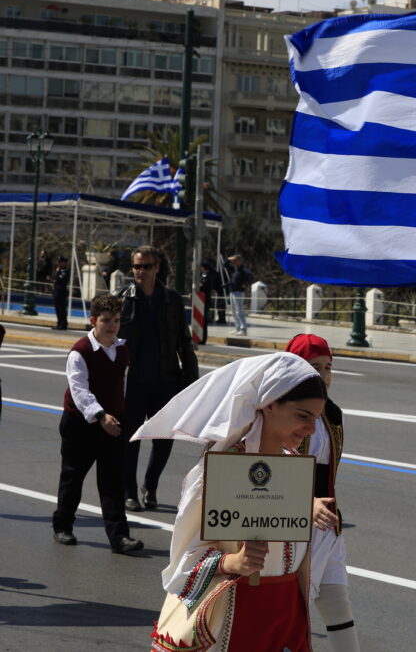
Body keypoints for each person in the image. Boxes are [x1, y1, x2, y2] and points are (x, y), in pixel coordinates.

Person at [133, 352, 325, 652]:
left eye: (316, 418)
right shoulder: (218, 471)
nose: (312, 430)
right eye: (303, 416)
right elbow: (183, 559)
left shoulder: (295, 469)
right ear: (270, 404)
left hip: (286, 617)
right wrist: (231, 562)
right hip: (233, 618)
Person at [51, 294, 144, 554]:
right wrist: (101, 416)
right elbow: (80, 391)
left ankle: (119, 538)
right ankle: (63, 526)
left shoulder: (122, 349)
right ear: (93, 320)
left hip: (113, 423)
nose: (112, 325)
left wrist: (121, 416)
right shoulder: (80, 352)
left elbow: (121, 386)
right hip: (81, 424)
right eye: (106, 320)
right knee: (72, 478)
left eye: (116, 320)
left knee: (112, 482)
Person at [286, 334, 360, 651]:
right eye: (315, 367)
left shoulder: (332, 413)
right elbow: (272, 467)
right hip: (297, 525)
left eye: (328, 367)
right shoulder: (282, 411)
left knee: (337, 605)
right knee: (294, 608)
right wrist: (304, 504)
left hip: (329, 525)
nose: (323, 375)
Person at [115, 245, 199, 512]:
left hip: (165, 379)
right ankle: (129, 492)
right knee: (131, 439)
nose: (141, 272)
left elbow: (184, 343)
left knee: (164, 438)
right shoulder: (122, 298)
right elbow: (109, 342)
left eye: (147, 266)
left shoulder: (172, 299)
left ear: (157, 268)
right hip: (133, 381)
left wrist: (191, 384)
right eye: (137, 266)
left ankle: (150, 486)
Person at [227, 254, 253, 336]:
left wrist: (245, 284)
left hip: (239, 292)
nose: (234, 262)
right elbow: (225, 264)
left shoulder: (244, 270)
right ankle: (237, 328)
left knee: (239, 311)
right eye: (233, 261)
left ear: (240, 261)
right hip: (232, 291)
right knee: (234, 311)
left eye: (235, 260)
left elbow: (251, 276)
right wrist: (229, 259)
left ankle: (243, 329)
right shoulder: (235, 270)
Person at [52, 255, 70, 331]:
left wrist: (58, 271)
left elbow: (61, 279)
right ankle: (59, 323)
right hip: (56, 291)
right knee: (57, 308)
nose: (59, 263)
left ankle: (63, 324)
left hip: (61, 292)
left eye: (61, 262)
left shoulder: (65, 271)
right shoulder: (58, 270)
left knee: (62, 308)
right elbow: (53, 277)